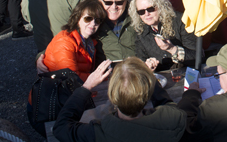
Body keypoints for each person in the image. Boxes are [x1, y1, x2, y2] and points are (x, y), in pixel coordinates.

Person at [53, 57, 187, 142]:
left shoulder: (99, 132)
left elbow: (60, 128)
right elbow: (168, 105)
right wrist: (147, 77)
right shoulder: (173, 119)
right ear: (147, 93)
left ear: (112, 95)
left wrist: (86, 87)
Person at [131, 0, 197, 71]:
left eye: (150, 9)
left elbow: (197, 56)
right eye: (141, 12)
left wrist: (172, 49)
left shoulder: (180, 21)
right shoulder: (140, 30)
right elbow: (140, 59)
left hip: (185, 73)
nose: (146, 14)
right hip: (160, 78)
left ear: (160, 6)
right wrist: (147, 66)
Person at [43, 0, 107, 82]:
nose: (93, 23)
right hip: (58, 90)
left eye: (97, 20)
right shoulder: (65, 42)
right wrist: (102, 78)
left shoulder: (90, 42)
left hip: (76, 88)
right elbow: (70, 77)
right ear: (77, 19)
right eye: (88, 18)